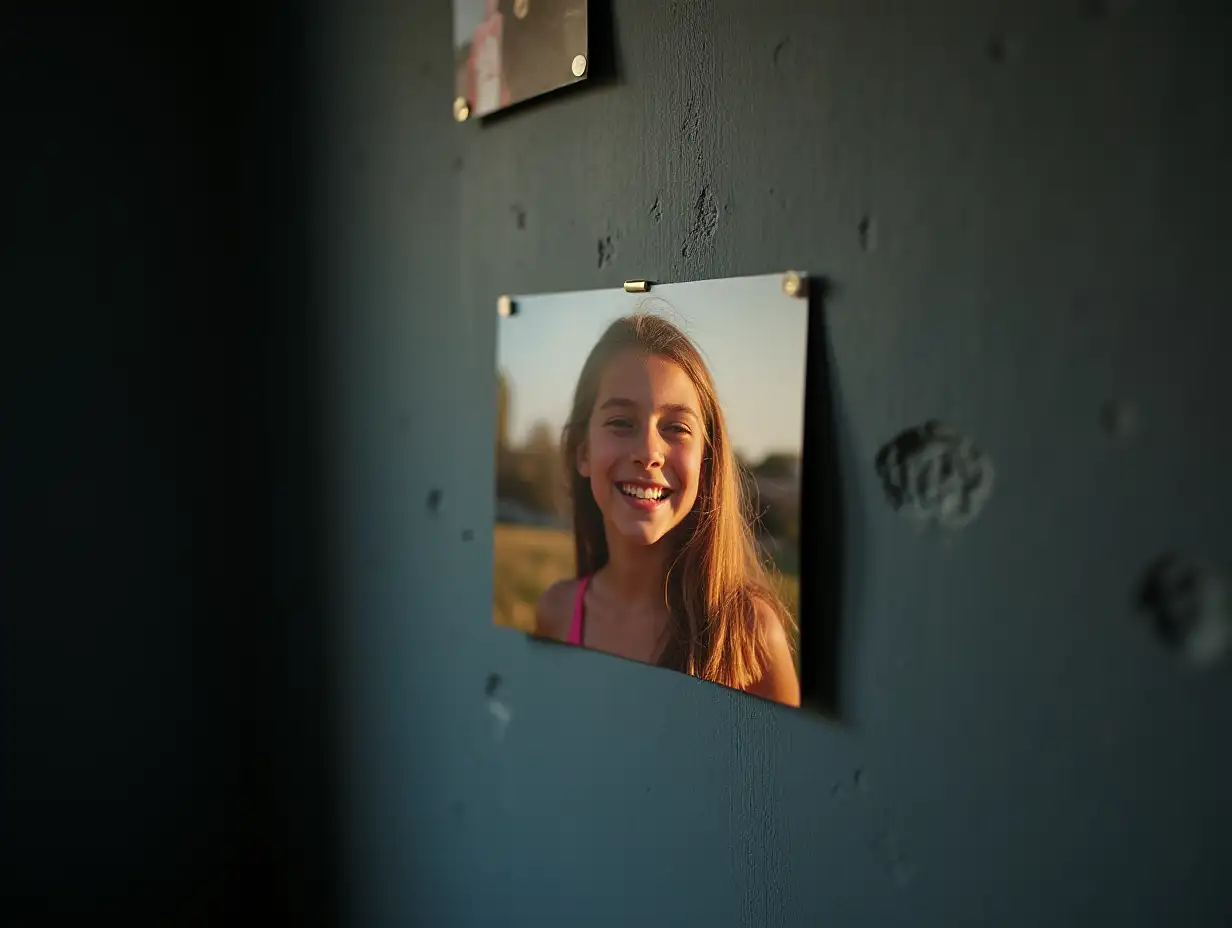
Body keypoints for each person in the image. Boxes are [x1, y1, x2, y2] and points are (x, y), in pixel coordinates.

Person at [534, 314, 801, 707]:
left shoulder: (750, 635)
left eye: (676, 428)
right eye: (621, 422)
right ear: (583, 452)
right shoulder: (555, 612)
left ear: (706, 463)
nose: (648, 452)